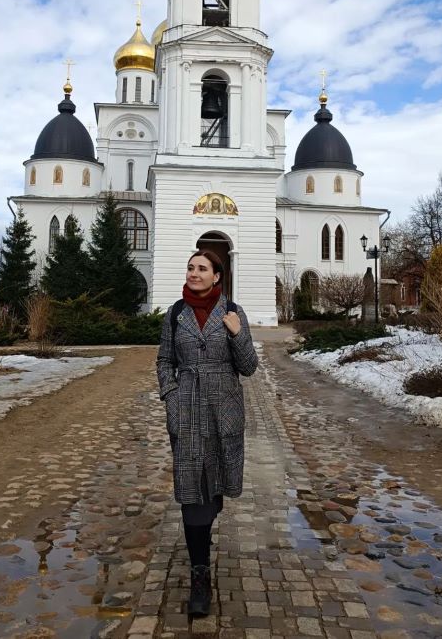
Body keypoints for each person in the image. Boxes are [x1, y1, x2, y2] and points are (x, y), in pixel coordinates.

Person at [156, 250, 258, 617]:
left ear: (217, 276)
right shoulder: (175, 314)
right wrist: (170, 394)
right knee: (191, 493)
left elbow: (248, 368)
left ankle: (205, 526)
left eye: (202, 268)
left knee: (213, 491)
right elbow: (164, 360)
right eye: (190, 267)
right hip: (186, 408)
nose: (194, 273)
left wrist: (238, 334)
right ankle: (200, 572)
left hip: (223, 409)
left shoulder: (233, 312)